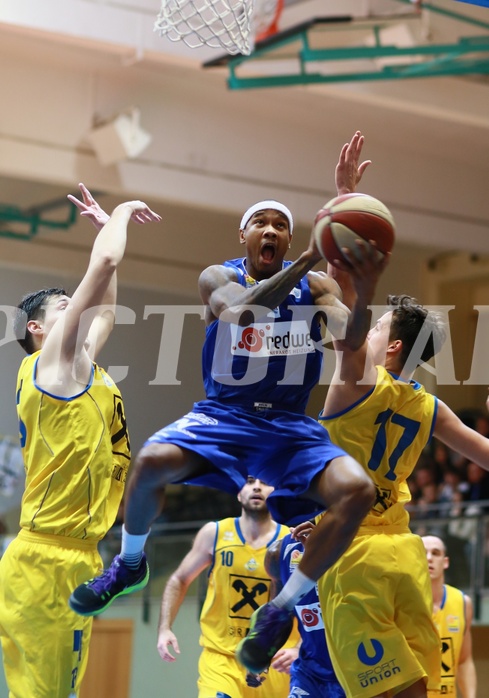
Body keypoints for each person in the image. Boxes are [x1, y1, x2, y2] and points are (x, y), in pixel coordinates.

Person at [68, 132, 377, 675]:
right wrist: (308, 256)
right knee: (150, 463)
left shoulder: (319, 287)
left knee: (358, 491)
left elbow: (351, 342)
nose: (273, 231)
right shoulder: (220, 276)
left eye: (282, 225)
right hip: (223, 419)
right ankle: (132, 562)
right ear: (244, 235)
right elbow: (241, 314)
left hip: (288, 428)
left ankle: (280, 610)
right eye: (263, 223)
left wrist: (366, 285)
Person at [312, 208, 489, 697]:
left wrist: (340, 212)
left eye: (374, 331)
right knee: (415, 689)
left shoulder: (355, 385)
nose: (363, 335)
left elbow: (339, 309)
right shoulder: (431, 407)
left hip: (354, 551)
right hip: (404, 552)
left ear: (390, 349)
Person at [0, 185, 161, 698]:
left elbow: (106, 310)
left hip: (75, 554)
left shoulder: (81, 366)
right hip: (46, 558)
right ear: (36, 328)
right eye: (65, 307)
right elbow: (108, 257)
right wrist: (120, 214)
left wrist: (106, 263)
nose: (79, 310)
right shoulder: (47, 366)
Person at [157, 475, 300, 697]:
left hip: (275, 662)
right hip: (221, 659)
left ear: (276, 491)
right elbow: (179, 579)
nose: (256, 487)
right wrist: (165, 627)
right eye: (250, 481)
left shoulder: (291, 540)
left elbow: (313, 601)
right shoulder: (214, 534)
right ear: (238, 492)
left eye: (264, 482)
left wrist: (299, 648)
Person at [265, 520, 346, 698]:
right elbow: (280, 614)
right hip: (310, 673)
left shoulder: (356, 541)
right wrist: (262, 653)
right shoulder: (278, 552)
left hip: (354, 670)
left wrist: (323, 553)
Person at [422, 535, 477, 698]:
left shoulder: (462, 602)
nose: (429, 558)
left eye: (435, 553)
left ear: (445, 562)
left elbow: (464, 660)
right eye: (423, 553)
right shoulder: (402, 601)